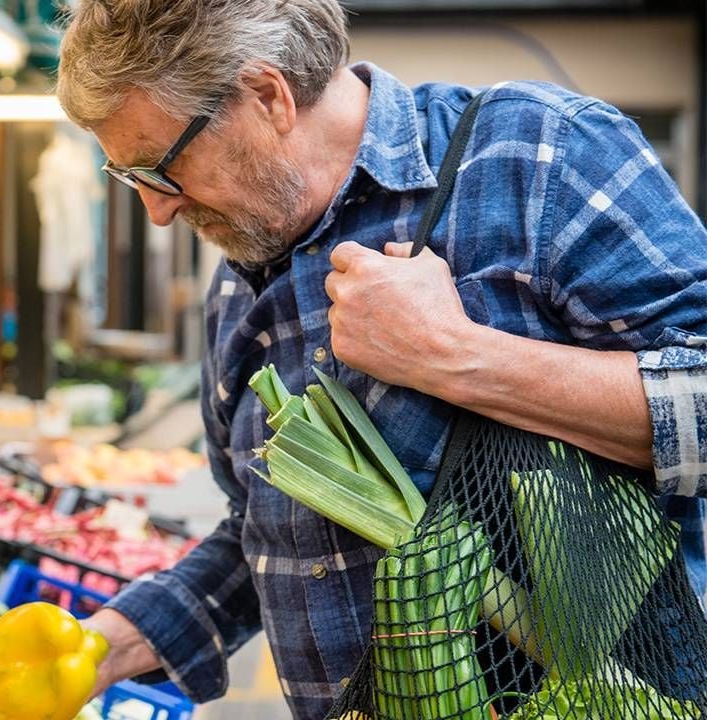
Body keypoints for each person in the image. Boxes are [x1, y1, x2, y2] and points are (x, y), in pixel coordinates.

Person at [53, 1, 707, 717]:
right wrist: (110, 645)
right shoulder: (236, 289)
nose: (157, 211)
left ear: (267, 96)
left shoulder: (538, 157)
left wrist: (456, 357)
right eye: (130, 178)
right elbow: (272, 531)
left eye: (161, 170)